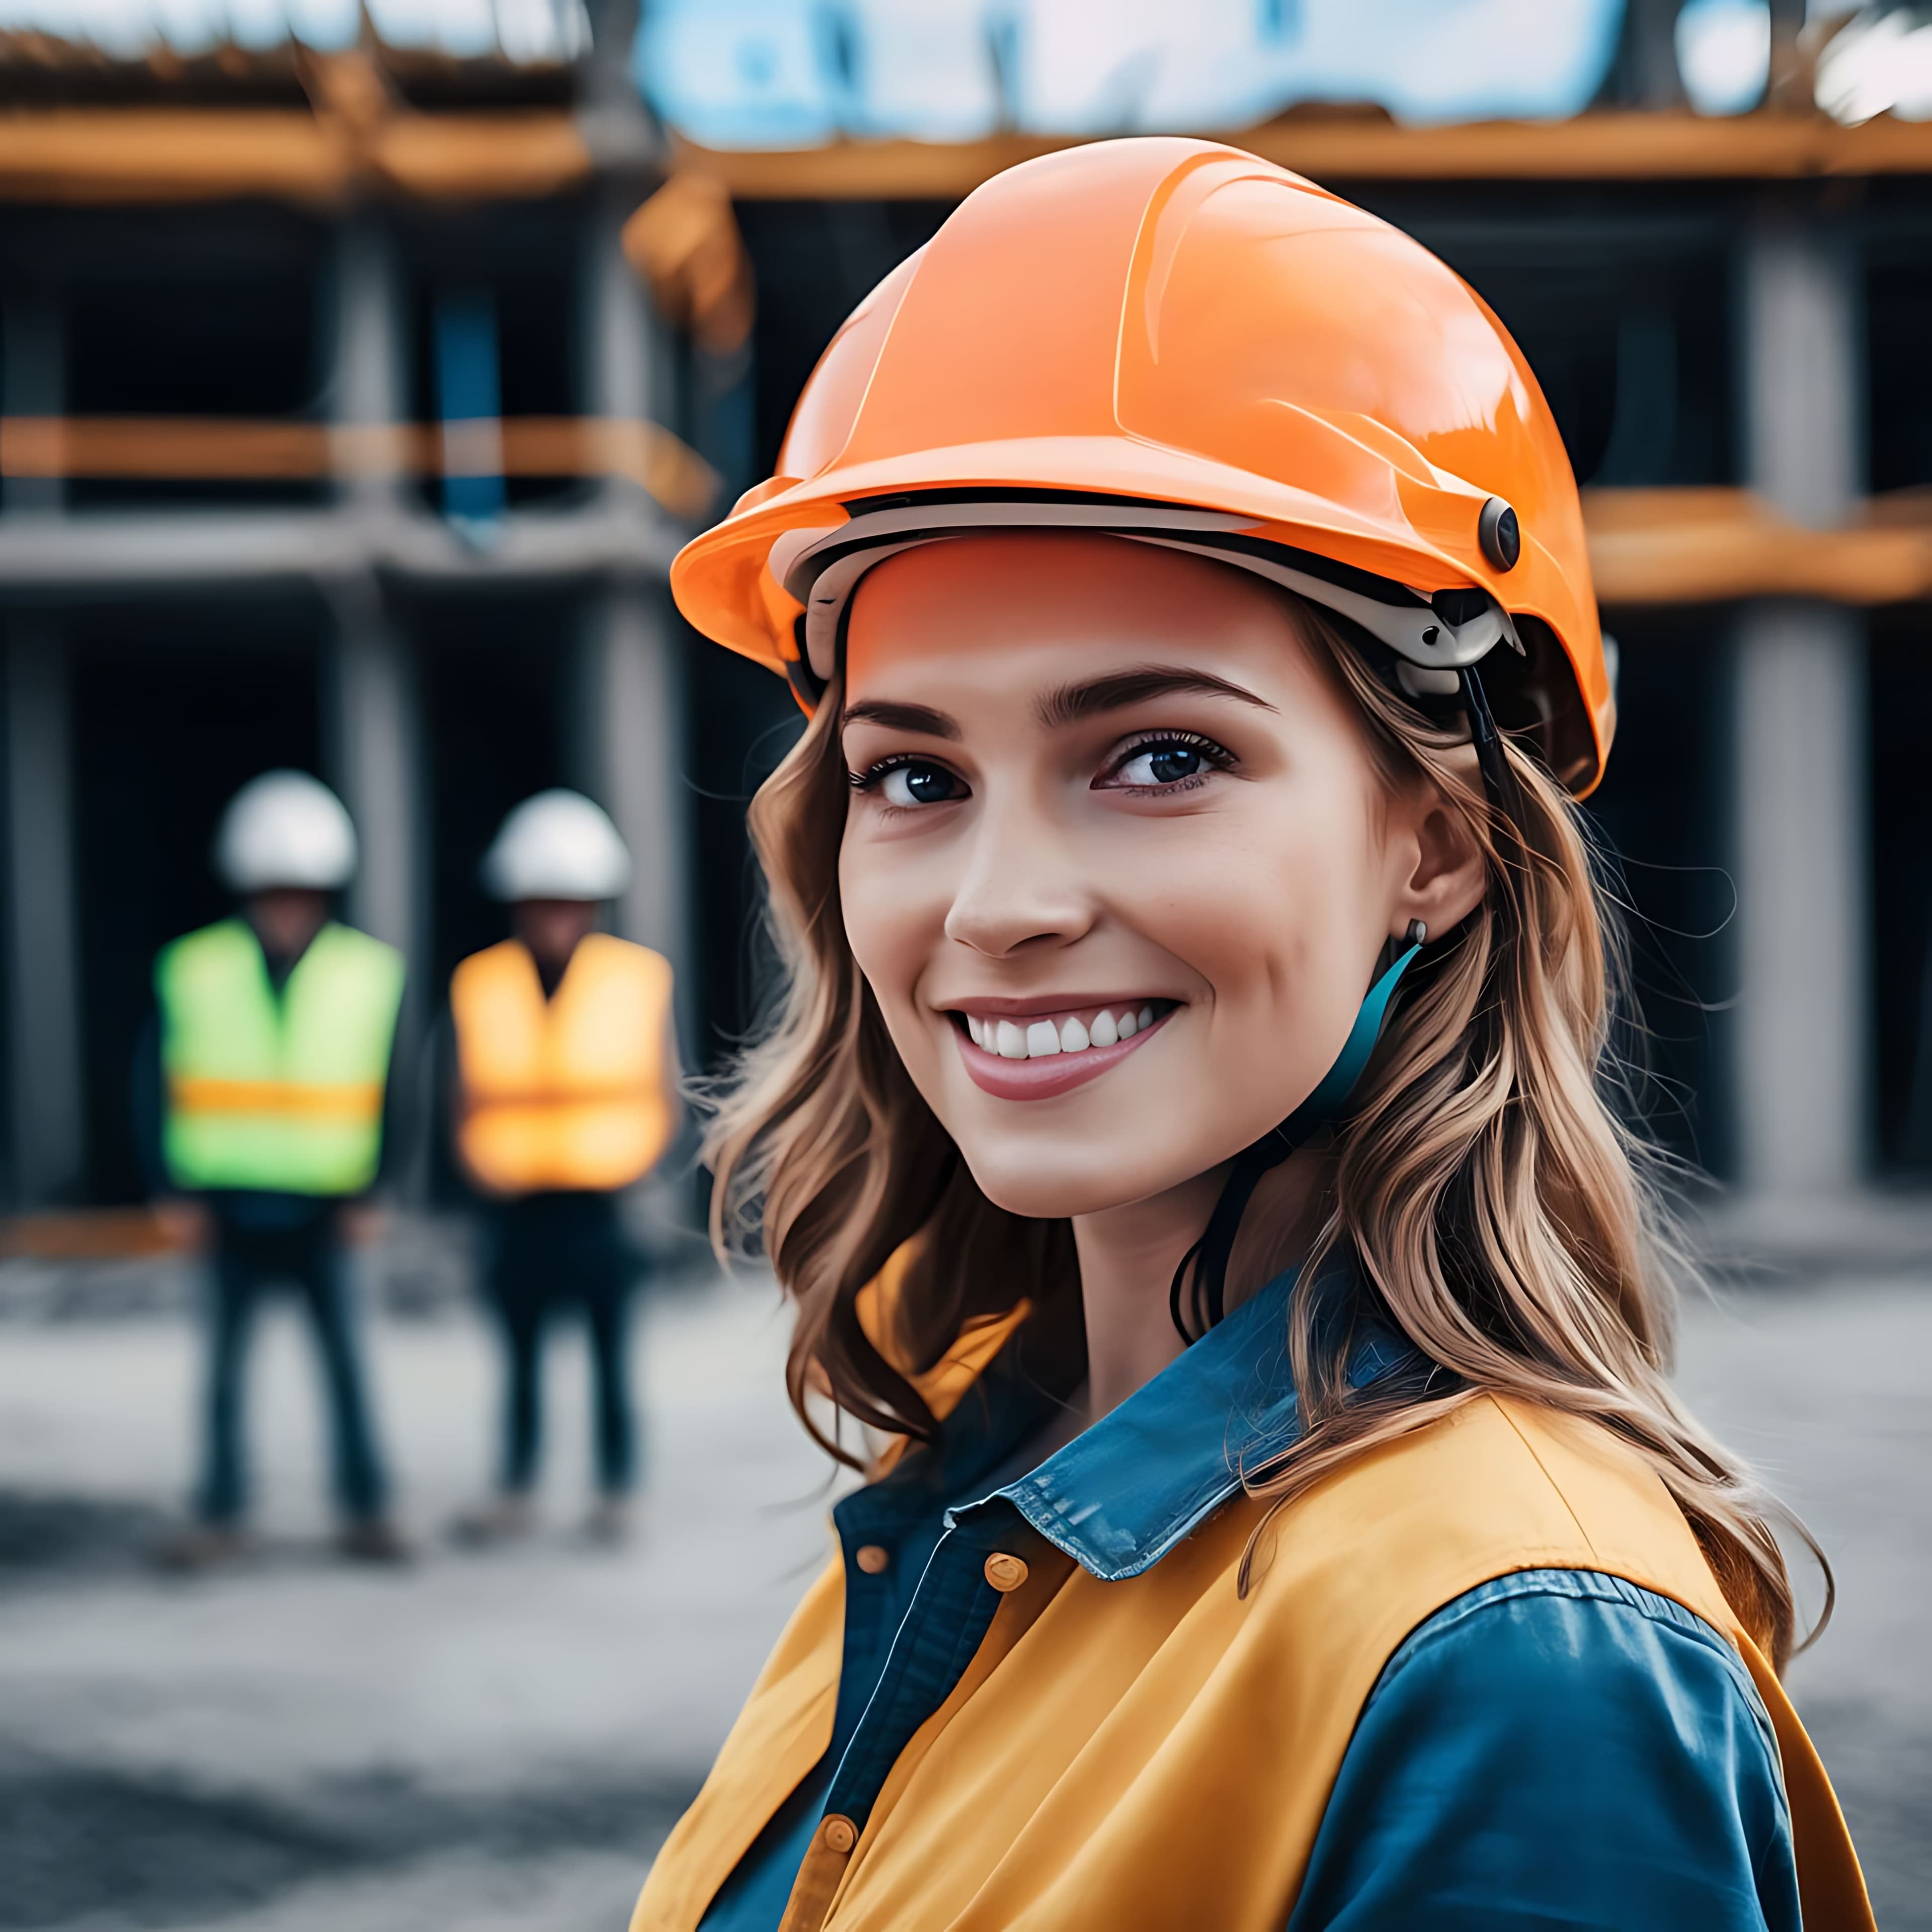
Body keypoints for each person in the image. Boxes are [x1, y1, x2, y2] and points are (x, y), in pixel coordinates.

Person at [631, 140, 1873, 1931]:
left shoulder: (1515, 1666)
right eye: (915, 775)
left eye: (1158, 757)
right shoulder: (976, 1484)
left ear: (1434, 843)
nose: (995, 904)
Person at [144, 771, 408, 1567]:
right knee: (223, 1375)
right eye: (272, 891)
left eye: (299, 891)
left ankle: (367, 1510)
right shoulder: (193, 969)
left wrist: (379, 1186)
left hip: (329, 1206)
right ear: (247, 890)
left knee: (347, 1368)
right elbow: (151, 1082)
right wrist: (171, 1187)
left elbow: (393, 1086)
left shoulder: (367, 974)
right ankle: (222, 1512)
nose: (285, 905)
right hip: (226, 1202)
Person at [446, 790, 678, 1545]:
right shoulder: (481, 982)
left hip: (603, 1203)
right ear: (519, 905)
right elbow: (456, 1091)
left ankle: (617, 1491)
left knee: (613, 1361)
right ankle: (516, 1487)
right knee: (518, 1361)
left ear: (593, 905)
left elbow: (665, 1084)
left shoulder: (637, 977)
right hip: (515, 1206)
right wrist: (472, 1168)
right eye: (543, 904)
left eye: (570, 903)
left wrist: (645, 1172)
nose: (556, 918)